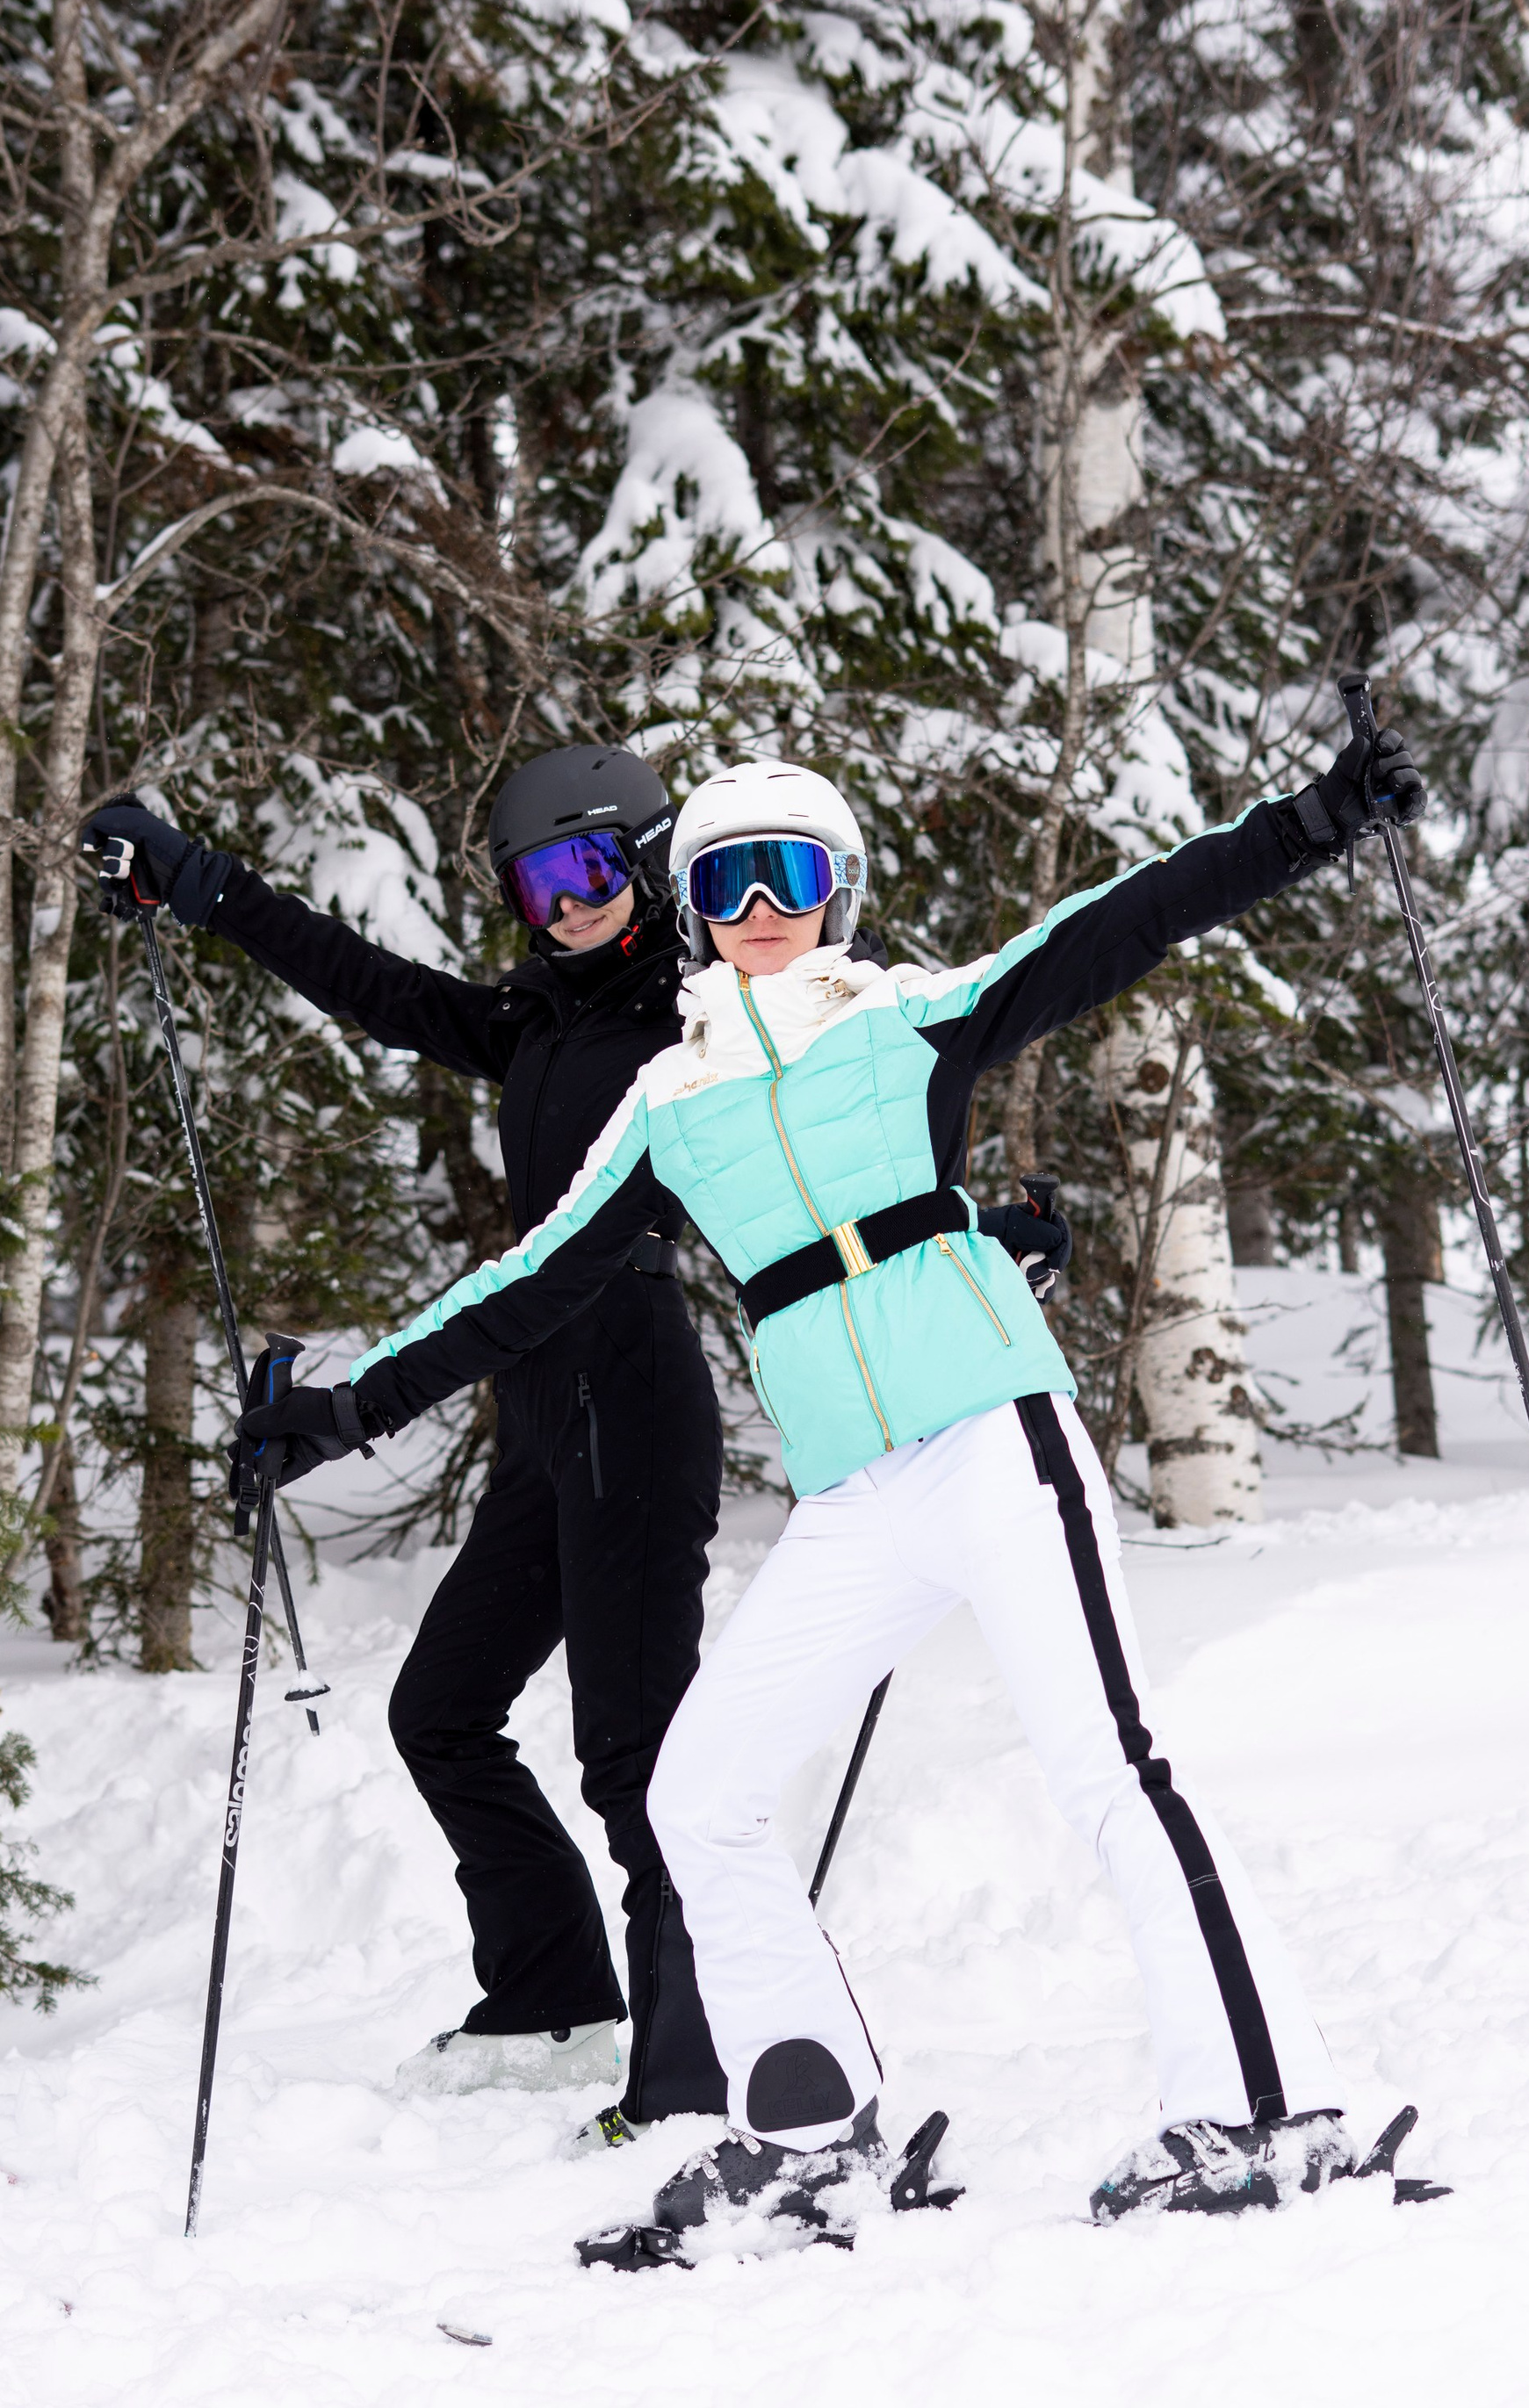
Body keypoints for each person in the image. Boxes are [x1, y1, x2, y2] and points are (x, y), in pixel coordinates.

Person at [227, 710, 1439, 2249]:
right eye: (723, 883)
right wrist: (347, 1409)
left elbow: (1121, 921)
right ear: (688, 910)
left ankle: (1269, 2117)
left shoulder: (911, 1020)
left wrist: (1311, 822)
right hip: (858, 1498)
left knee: (1110, 1772)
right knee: (701, 1796)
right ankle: (809, 2139)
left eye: (788, 876)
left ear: (838, 894)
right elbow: (524, 1285)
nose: (757, 910)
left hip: (993, 1440)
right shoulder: (671, 1105)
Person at [83, 748, 732, 2135]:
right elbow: (374, 988)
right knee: (441, 1711)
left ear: (649, 863)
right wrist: (204, 889)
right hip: (543, 1405)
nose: (568, 905)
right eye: (537, 886)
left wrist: (968, 1228)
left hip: (632, 1390)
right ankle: (554, 1997)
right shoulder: (539, 1020)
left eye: (591, 870)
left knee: (638, 1763)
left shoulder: (698, 1028)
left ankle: (694, 2076)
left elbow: (855, 1091)